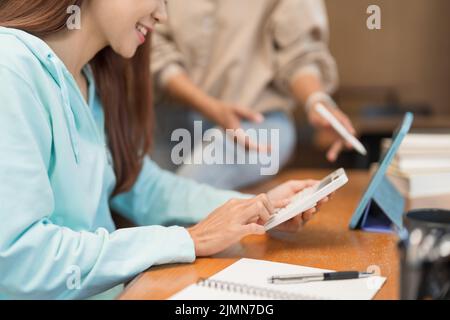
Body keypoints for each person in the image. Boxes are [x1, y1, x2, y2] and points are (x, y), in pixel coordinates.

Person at [0, 0, 329, 300]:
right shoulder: (10, 68)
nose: (162, 15)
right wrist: (187, 240)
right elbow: (18, 260)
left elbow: (145, 188)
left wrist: (257, 207)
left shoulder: (89, 80)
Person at [151, 0, 357, 190]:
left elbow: (300, 55)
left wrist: (316, 101)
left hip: (255, 119)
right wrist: (210, 107)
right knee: (154, 196)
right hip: (171, 121)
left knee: (187, 188)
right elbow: (154, 47)